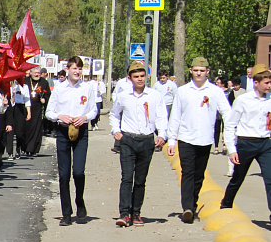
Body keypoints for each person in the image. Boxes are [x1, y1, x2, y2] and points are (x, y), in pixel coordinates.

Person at [166, 56, 231, 223]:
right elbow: (175, 116)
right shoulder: (183, 91)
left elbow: (227, 113)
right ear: (191, 71)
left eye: (202, 71)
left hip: (205, 139)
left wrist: (232, 134)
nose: (199, 74)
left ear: (207, 72)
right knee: (187, 172)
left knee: (199, 175)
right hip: (186, 138)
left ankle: (193, 204)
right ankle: (187, 207)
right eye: (196, 71)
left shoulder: (215, 91)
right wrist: (172, 140)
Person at [109, 61, 167, 226]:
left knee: (140, 179)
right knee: (127, 177)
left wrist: (162, 134)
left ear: (146, 77)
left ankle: (136, 213)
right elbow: (114, 114)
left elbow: (162, 116)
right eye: (136, 76)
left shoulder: (155, 96)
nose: (139, 79)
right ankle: (124, 214)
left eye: (142, 76)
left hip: (147, 140)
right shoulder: (123, 96)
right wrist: (116, 130)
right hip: (128, 139)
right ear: (130, 78)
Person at [46, 56, 100, 226]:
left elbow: (93, 110)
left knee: (78, 171)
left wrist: (84, 117)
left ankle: (80, 200)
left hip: (80, 131)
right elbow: (49, 112)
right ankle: (66, 213)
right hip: (63, 131)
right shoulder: (59, 89)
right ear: (67, 70)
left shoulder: (88, 88)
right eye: (74, 68)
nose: (77, 71)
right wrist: (58, 116)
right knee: (63, 174)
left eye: (80, 69)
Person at [220, 64, 271, 214]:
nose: (269, 86)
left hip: (265, 143)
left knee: (270, 179)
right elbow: (230, 125)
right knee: (238, 178)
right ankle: (226, 205)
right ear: (256, 82)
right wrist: (232, 149)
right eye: (266, 83)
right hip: (246, 143)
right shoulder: (243, 100)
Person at [25, 67, 50, 155]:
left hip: (38, 109)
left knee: (37, 129)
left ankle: (33, 149)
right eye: (35, 73)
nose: (37, 75)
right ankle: (25, 147)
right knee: (27, 128)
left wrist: (44, 99)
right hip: (26, 109)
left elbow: (48, 95)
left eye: (38, 73)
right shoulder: (26, 81)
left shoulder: (44, 82)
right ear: (31, 73)